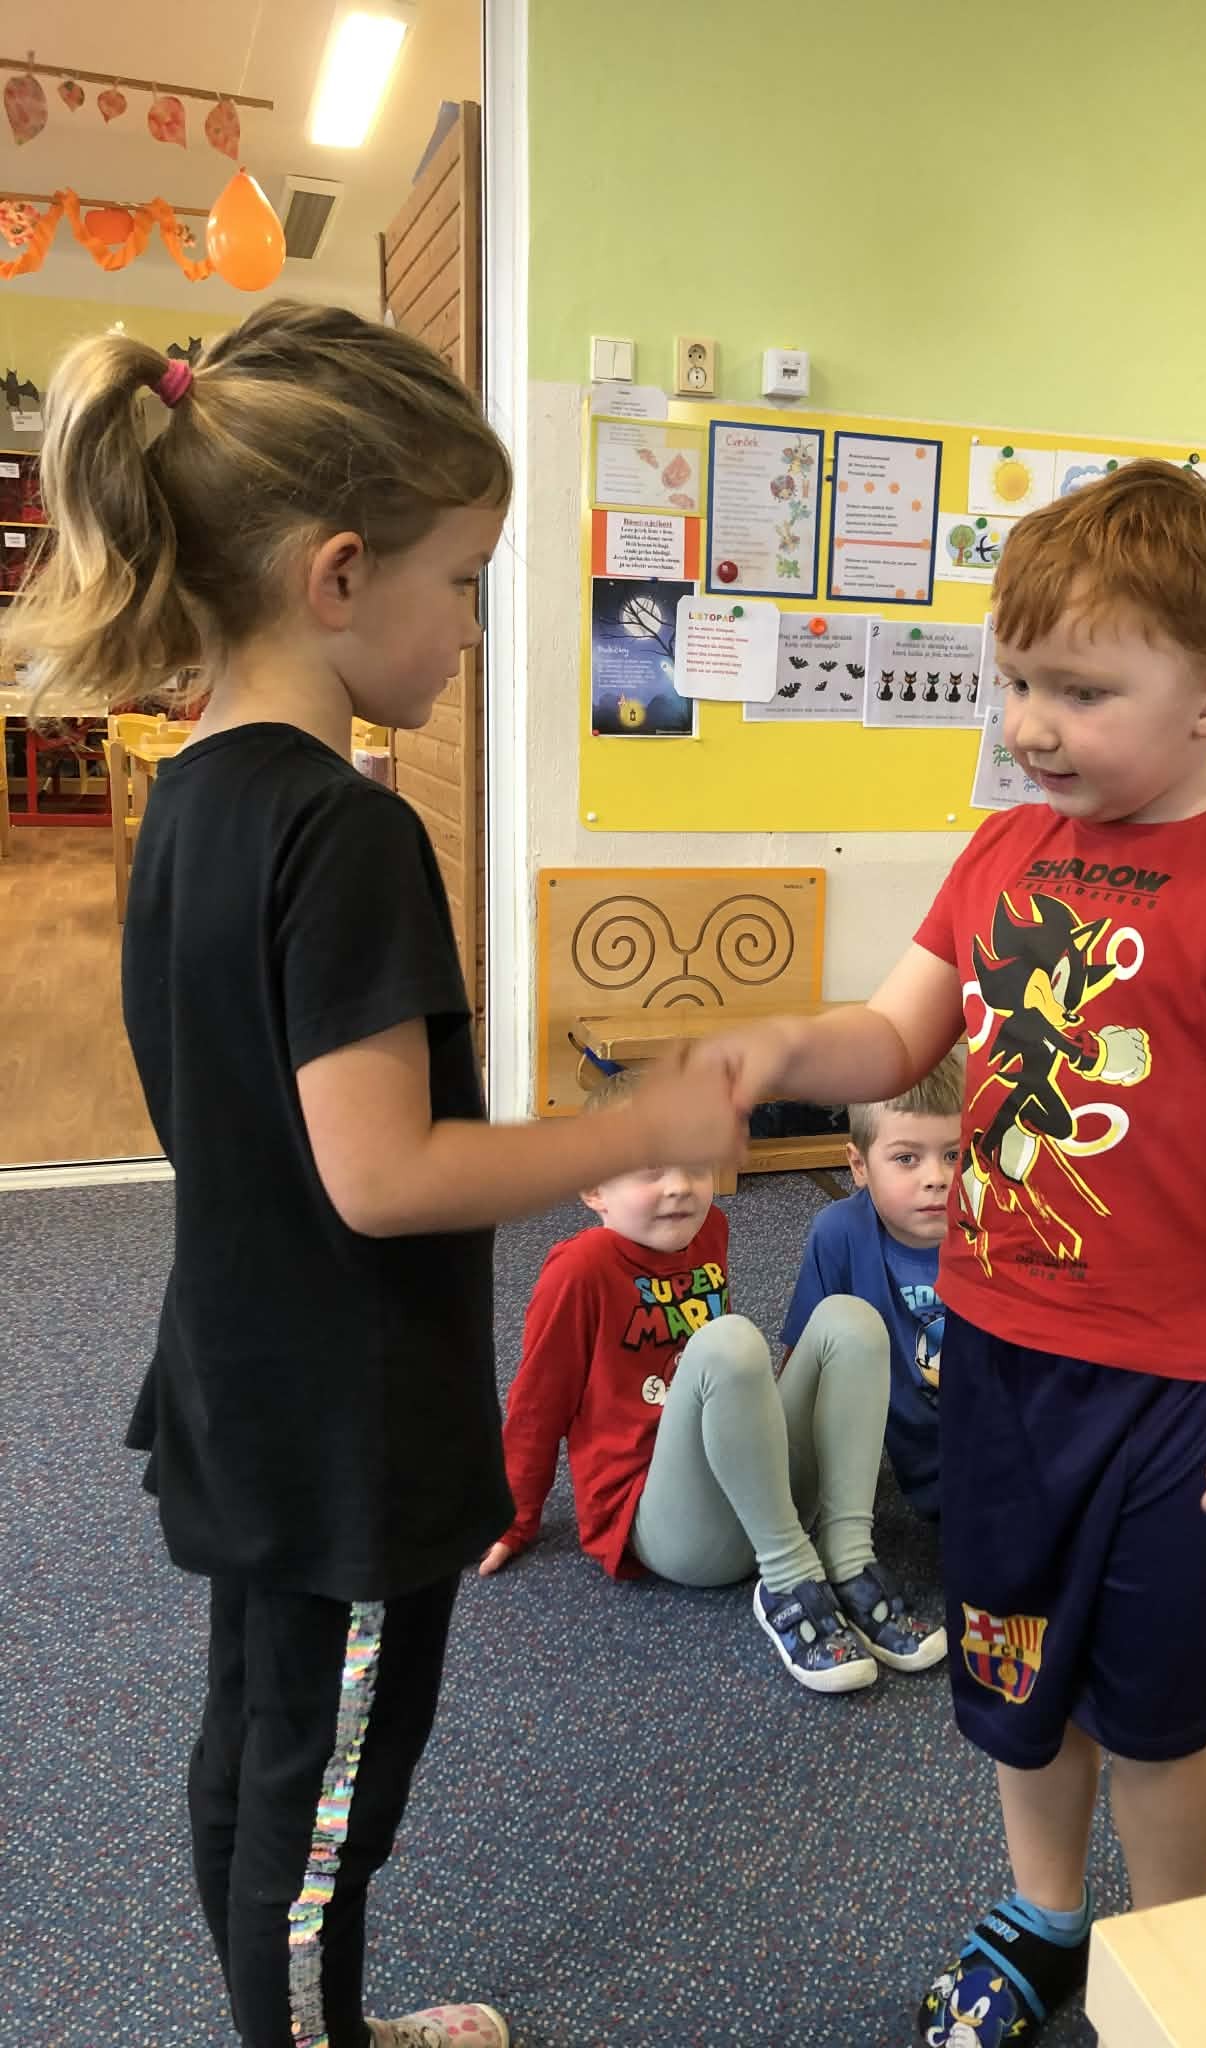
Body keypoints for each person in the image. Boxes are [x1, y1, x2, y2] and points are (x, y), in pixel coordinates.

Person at [2, 303, 740, 2048]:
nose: (474, 628)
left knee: (257, 1750)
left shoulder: (194, 794)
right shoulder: (347, 830)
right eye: (464, 581)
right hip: (344, 1429)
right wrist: (640, 1127)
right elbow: (386, 1174)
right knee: (327, 1802)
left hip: (239, 1376)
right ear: (338, 575)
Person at [696, 461, 1206, 2044]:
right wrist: (778, 1048)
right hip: (1003, 1361)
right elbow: (897, 1035)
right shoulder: (1003, 851)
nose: (1031, 723)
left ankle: (1172, 1959)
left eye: (1083, 692)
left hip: (1179, 1397)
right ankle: (1044, 1917)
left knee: (1155, 1714)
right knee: (1015, 1679)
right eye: (1015, 679)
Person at [479, 1069, 947, 1690]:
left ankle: (847, 1558)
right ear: (593, 1186)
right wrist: (514, 1516)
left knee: (852, 1320)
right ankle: (787, 1581)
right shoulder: (579, 1271)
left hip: (758, 1501)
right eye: (651, 1170)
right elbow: (538, 1402)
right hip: (667, 1528)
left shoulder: (709, 1231)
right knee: (730, 1342)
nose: (679, 1187)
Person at [781, 1050, 964, 1521]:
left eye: (954, 1155)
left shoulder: (997, 1232)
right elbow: (804, 1360)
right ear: (859, 1165)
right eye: (907, 1158)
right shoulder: (839, 1233)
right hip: (914, 1467)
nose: (937, 1178)